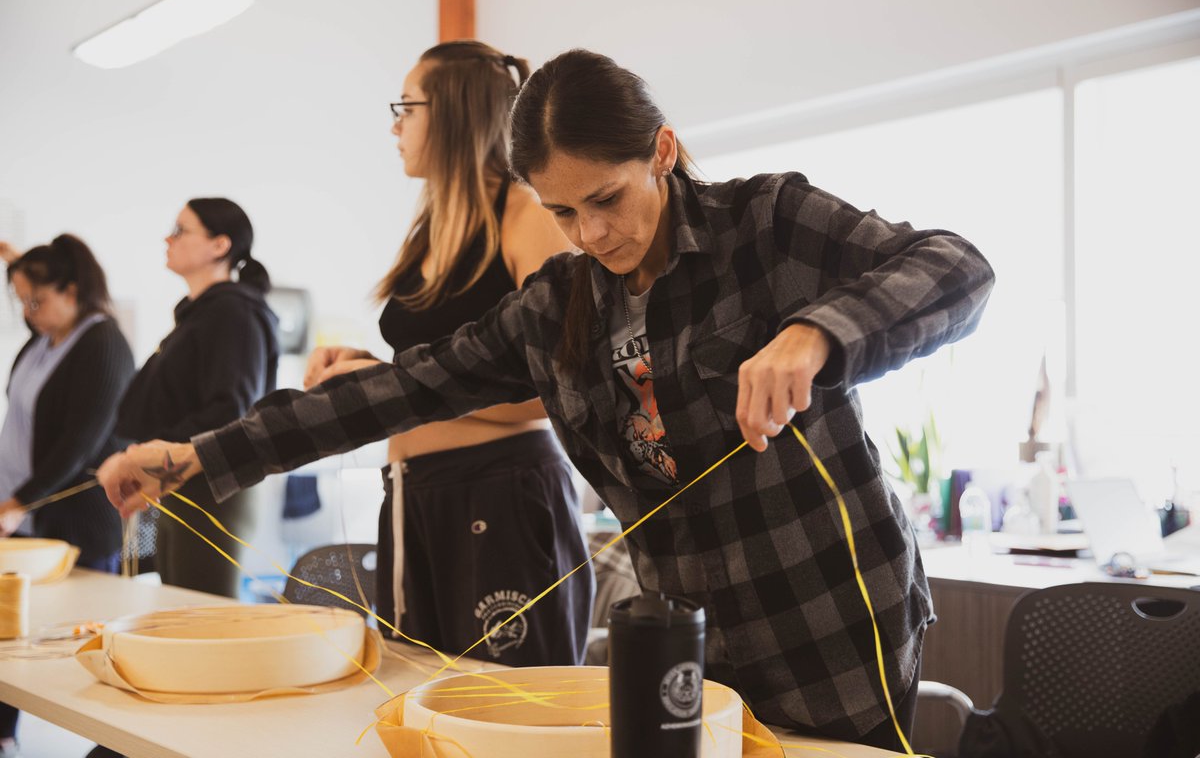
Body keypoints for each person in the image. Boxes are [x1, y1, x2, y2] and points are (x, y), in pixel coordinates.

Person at [98, 49, 995, 750]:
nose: (591, 234)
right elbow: (394, 392)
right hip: (685, 636)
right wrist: (201, 455)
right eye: (562, 213)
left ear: (662, 151)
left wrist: (817, 333)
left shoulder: (766, 224)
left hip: (829, 618)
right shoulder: (554, 307)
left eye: (605, 199)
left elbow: (957, 267)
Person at [303, 40, 591, 666]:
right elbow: (427, 366)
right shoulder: (434, 229)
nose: (394, 126)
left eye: (406, 107)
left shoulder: (526, 217)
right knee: (414, 697)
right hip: (413, 493)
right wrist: (366, 366)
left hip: (500, 495)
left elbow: (562, 393)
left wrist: (392, 383)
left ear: (455, 112)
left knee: (510, 709)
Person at [0, 235, 135, 758]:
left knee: (79, 642)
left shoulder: (102, 343)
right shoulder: (41, 342)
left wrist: (21, 501)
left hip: (73, 520)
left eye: (35, 300)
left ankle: (110, 745)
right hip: (24, 516)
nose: (28, 313)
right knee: (11, 634)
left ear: (71, 291)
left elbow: (81, 439)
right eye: (21, 302)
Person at [113, 198, 279, 598]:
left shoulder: (233, 313)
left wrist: (151, 455)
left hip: (213, 488)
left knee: (201, 615)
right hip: (184, 483)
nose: (167, 239)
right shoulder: (203, 314)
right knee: (178, 607)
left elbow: (230, 411)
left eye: (180, 230)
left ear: (220, 245)